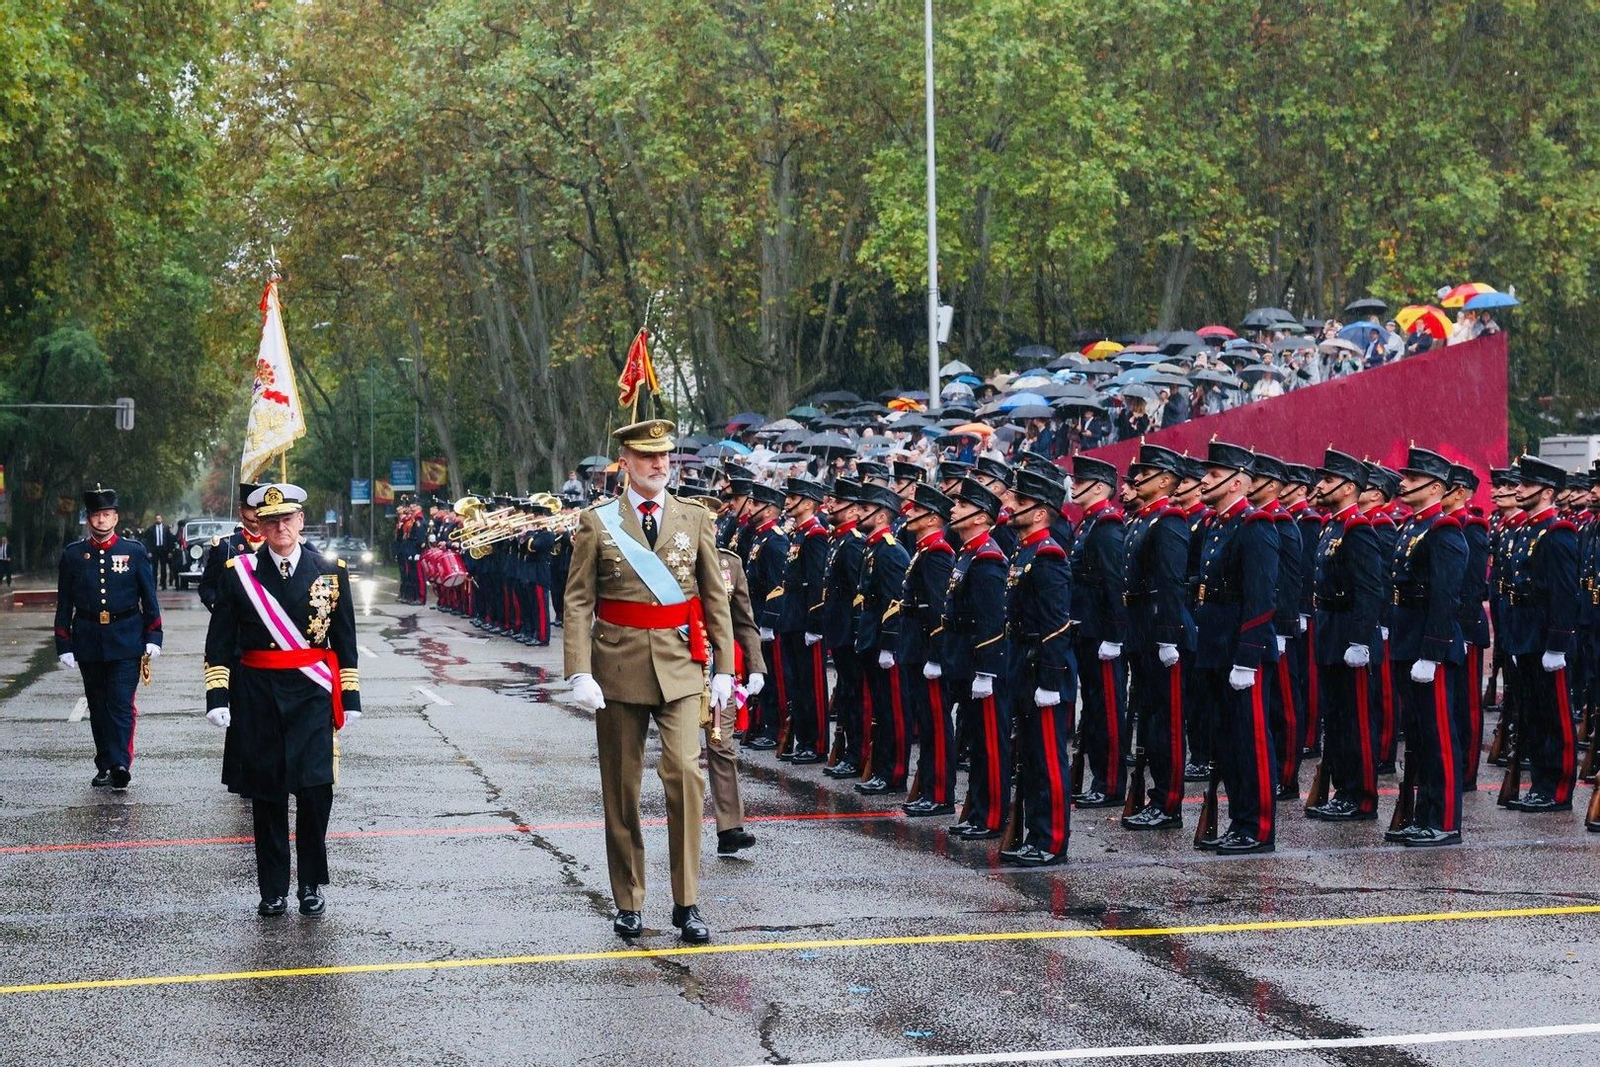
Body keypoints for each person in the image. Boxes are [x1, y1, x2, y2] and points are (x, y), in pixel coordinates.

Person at [562, 418, 736, 944]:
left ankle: (687, 903)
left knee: (685, 775)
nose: (660, 465)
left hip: (682, 666)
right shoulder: (598, 523)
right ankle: (630, 900)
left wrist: (726, 666)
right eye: (648, 457)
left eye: (665, 457)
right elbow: (578, 601)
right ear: (627, 464)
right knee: (622, 786)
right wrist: (578, 670)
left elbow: (714, 598)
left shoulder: (695, 517)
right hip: (616, 667)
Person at [201, 483, 359, 917]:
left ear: (301, 522)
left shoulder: (330, 570)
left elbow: (345, 639)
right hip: (258, 696)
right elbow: (219, 641)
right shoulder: (239, 574)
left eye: (287, 519)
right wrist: (218, 694)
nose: (280, 527)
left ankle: (309, 883)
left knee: (313, 792)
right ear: (260, 527)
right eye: (271, 521)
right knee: (267, 795)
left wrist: (351, 695)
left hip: (311, 695)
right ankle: (272, 888)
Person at [1189, 442, 1280, 855]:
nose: (1204, 480)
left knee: (1251, 741)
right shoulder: (1217, 524)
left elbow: (1261, 599)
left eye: (1213, 474)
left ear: (1238, 482)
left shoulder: (1254, 525)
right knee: (1226, 742)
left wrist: (1247, 658)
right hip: (1215, 647)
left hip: (1241, 654)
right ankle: (1238, 821)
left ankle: (1257, 827)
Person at [1383, 447, 1469, 847]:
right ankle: (1423, 815)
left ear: (1435, 487)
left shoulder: (1444, 530)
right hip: (1407, 642)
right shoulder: (1413, 528)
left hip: (1427, 648)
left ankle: (1445, 820)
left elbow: (1445, 598)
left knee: (1439, 736)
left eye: (1412, 479)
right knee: (1418, 736)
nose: (1402, 484)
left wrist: (1432, 652)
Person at [54, 485, 163, 791]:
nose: (101, 521)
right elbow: (64, 603)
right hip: (88, 639)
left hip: (126, 637)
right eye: (95, 515)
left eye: (106, 514)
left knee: (120, 703)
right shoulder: (73, 555)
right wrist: (64, 642)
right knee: (98, 706)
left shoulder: (134, 551)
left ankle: (120, 764)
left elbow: (148, 597)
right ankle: (104, 764)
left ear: (115, 517)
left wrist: (154, 635)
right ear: (88, 519)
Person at [997, 467, 1075, 866]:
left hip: (1040, 667)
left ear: (1042, 512)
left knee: (1048, 759)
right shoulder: (1024, 550)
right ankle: (1033, 833)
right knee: (1028, 757)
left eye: (1020, 502)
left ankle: (1052, 839)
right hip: (1021, 664)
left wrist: (1050, 680)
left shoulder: (1048, 555)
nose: (1010, 506)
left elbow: (1056, 625)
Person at [1305, 450, 1384, 823]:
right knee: (1335, 719)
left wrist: (1360, 640)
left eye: (1327, 480)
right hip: (1329, 632)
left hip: (1349, 634)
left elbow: (1370, 590)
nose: (1319, 486)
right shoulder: (1332, 525)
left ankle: (1362, 796)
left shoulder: (1358, 529)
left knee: (1356, 721)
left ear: (1348, 487)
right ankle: (1342, 789)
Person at [1119, 445, 1195, 831]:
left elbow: (1171, 582)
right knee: (1149, 719)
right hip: (1140, 626)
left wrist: (1168, 636)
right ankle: (1154, 795)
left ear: (1164, 480)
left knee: (1166, 721)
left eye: (1143, 474)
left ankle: (1169, 803)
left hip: (1160, 628)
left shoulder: (1169, 520)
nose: (1134, 482)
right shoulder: (1142, 520)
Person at [1499, 455, 1580, 813]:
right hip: (1527, 632)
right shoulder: (1525, 530)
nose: (1518, 489)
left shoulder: (1557, 533)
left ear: (1546, 492)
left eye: (1526, 485)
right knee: (1534, 712)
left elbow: (1565, 593)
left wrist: (1558, 643)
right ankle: (1540, 783)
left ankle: (1558, 789)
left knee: (1556, 715)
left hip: (1548, 636)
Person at [939, 478, 1011, 841]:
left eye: (962, 505)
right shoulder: (968, 552)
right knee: (977, 742)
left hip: (980, 663)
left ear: (982, 516)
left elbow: (990, 620)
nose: (953, 509)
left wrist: (985, 671)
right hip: (962, 658)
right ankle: (979, 809)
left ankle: (993, 814)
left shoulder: (987, 558)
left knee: (989, 743)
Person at [1067, 456, 1128, 808]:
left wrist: (1114, 635)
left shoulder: (1106, 526)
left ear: (1101, 488)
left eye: (1081, 481)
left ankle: (1110, 784)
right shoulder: (1089, 523)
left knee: (1107, 710)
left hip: (1102, 631)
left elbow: (1113, 583)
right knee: (1093, 708)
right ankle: (1098, 778)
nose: (1073, 486)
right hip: (1087, 628)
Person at [898, 484, 958, 817]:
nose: (908, 513)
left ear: (933, 518)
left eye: (916, 510)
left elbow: (938, 610)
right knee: (926, 722)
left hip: (926, 652)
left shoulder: (937, 554)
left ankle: (940, 794)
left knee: (936, 724)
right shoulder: (924, 549)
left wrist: (936, 656)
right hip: (915, 648)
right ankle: (929, 789)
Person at [853, 483, 912, 795]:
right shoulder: (874, 547)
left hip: (884, 643)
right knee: (881, 710)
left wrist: (888, 644)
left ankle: (895, 773)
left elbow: (894, 602)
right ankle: (882, 768)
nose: (858, 513)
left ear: (881, 515)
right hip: (871, 638)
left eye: (864, 509)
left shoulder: (890, 551)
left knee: (893, 712)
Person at [201, 484, 267, 611]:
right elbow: (207, 587)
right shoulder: (224, 546)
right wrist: (218, 605)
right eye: (250, 509)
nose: (255, 514)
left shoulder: (278, 545)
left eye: (260, 508)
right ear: (241, 510)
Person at [143, 514, 175, 590]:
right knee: (155, 568)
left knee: (163, 568)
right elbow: (148, 541)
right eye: (157, 519)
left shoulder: (166, 529)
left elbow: (169, 540)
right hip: (155, 550)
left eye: (159, 518)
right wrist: (149, 551)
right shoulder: (151, 529)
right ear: (155, 520)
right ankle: (154, 585)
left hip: (164, 550)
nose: (158, 520)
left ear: (162, 519)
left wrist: (170, 551)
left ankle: (164, 585)